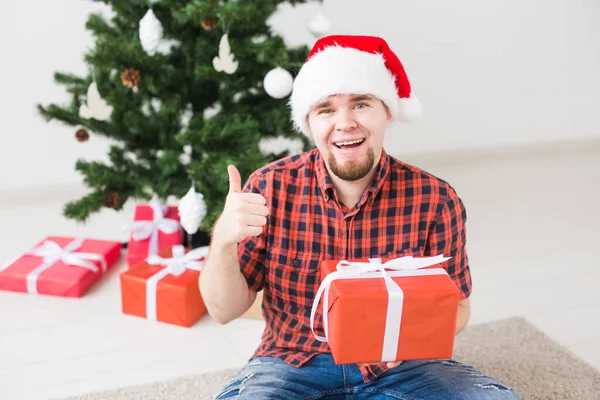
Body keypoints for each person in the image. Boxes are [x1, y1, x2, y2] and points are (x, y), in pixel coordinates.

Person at [202, 35, 521, 400]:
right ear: (309, 122)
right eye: (326, 109)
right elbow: (223, 310)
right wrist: (224, 238)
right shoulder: (268, 188)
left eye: (361, 104)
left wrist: (407, 338)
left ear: (387, 112)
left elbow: (458, 306)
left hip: (404, 365)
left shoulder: (436, 199)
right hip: (292, 363)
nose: (345, 122)